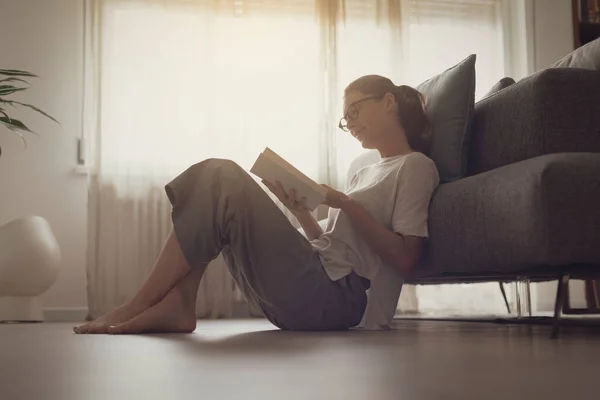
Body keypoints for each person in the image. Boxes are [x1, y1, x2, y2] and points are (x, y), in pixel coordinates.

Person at [73, 74, 440, 335]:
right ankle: (179, 303)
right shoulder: (363, 168)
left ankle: (140, 304)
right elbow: (332, 246)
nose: (350, 123)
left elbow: (406, 258)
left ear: (388, 101)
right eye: (346, 119)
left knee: (221, 175)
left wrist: (342, 201)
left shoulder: (416, 167)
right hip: (315, 284)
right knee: (215, 185)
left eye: (355, 111)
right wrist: (300, 211)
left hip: (341, 303)